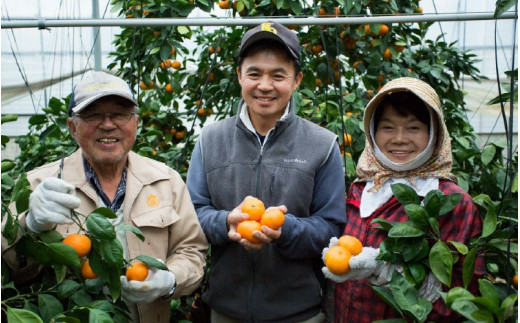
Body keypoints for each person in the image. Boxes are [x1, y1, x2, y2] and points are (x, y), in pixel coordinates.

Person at [1, 71, 208, 322]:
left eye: (119, 114)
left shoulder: (166, 181)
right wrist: (29, 225)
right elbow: (8, 266)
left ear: (135, 122)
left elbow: (191, 251)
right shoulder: (39, 185)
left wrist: (170, 279)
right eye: (93, 114)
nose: (108, 124)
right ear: (72, 127)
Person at [186, 21, 346, 322]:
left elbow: (331, 229)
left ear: (296, 80)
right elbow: (191, 214)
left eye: (278, 75)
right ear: (239, 76)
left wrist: (285, 230)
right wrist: (225, 223)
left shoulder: (322, 145)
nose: (264, 85)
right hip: (225, 310)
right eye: (254, 73)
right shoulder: (210, 141)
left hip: (299, 314)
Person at [322, 77, 485, 322]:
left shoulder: (450, 201)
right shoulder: (361, 187)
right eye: (387, 127)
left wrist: (387, 272)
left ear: (434, 134)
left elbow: (463, 299)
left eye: (413, 128)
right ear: (372, 132)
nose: (399, 138)